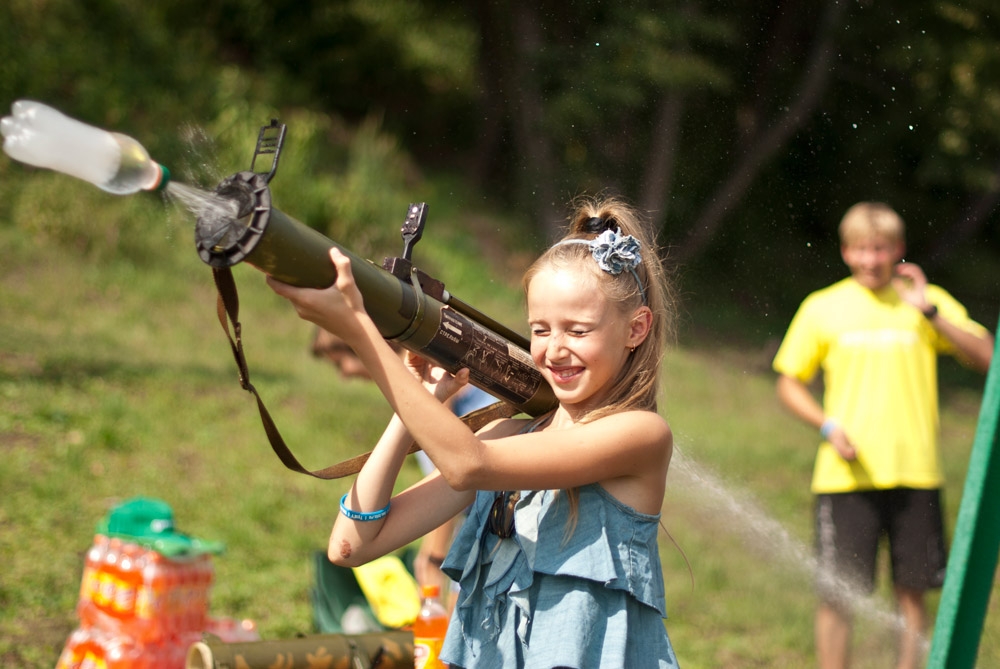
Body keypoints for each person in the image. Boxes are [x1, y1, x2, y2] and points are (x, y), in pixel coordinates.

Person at [268, 196, 681, 667]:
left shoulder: (640, 435)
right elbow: (351, 545)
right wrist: (414, 408)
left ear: (636, 329)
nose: (554, 350)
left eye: (578, 331)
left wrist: (360, 331)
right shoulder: (510, 434)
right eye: (541, 330)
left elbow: (469, 466)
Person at [771, 202, 994, 669]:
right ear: (846, 252)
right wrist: (827, 425)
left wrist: (930, 311)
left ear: (898, 250)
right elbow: (789, 381)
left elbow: (988, 359)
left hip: (917, 472)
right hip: (844, 476)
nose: (871, 260)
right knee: (838, 597)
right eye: (861, 250)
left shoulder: (925, 302)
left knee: (912, 594)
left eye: (880, 249)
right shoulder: (823, 306)